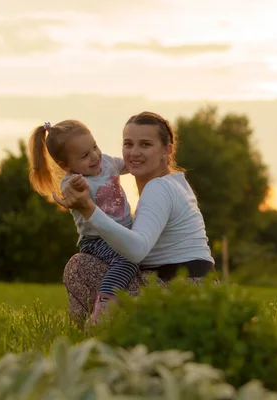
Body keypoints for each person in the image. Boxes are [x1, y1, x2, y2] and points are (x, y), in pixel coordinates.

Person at [55, 111, 216, 323]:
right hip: (203, 290)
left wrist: (88, 209)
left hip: (179, 290)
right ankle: (96, 334)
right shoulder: (176, 183)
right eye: (128, 144)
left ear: (166, 150)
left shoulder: (158, 188)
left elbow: (136, 251)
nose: (134, 152)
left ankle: (92, 334)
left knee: (80, 266)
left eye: (145, 145)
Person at [27, 119, 140, 323]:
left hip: (124, 230)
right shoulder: (72, 182)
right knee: (129, 258)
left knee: (142, 251)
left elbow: (131, 166)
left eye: (95, 147)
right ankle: (105, 304)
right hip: (97, 241)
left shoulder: (107, 162)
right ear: (66, 165)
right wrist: (76, 189)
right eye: (85, 156)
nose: (95, 156)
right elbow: (71, 195)